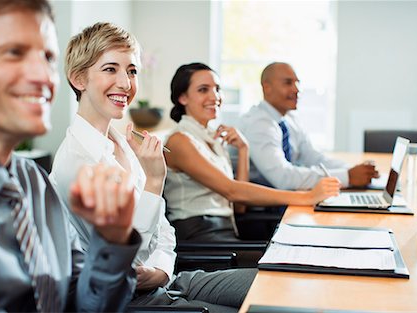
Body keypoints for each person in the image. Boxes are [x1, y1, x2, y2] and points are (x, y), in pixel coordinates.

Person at [50, 22, 257, 313]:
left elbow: (164, 230)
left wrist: (161, 270)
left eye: (132, 71)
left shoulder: (122, 142)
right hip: (133, 300)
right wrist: (154, 181)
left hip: (168, 280)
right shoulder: (77, 163)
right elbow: (127, 260)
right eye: (111, 69)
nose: (126, 83)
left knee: (270, 285)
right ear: (78, 79)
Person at [0, 1, 142, 312]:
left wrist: (113, 241)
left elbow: (83, 302)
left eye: (47, 57)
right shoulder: (72, 163)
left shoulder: (34, 184)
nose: (42, 74)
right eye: (14, 52)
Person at [163, 63, 340, 242]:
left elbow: (239, 207)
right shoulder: (180, 140)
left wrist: (243, 149)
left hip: (226, 233)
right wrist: (307, 197)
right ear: (182, 98)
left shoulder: (213, 138)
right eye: (203, 90)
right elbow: (232, 191)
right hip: (201, 237)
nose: (215, 96)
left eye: (217, 89)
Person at [239, 62, 379, 191]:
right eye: (288, 83)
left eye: (297, 83)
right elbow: (283, 178)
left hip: (289, 199)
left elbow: (314, 158)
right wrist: (347, 176)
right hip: (267, 210)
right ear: (267, 87)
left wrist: (356, 171)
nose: (296, 89)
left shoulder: (289, 119)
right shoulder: (258, 124)